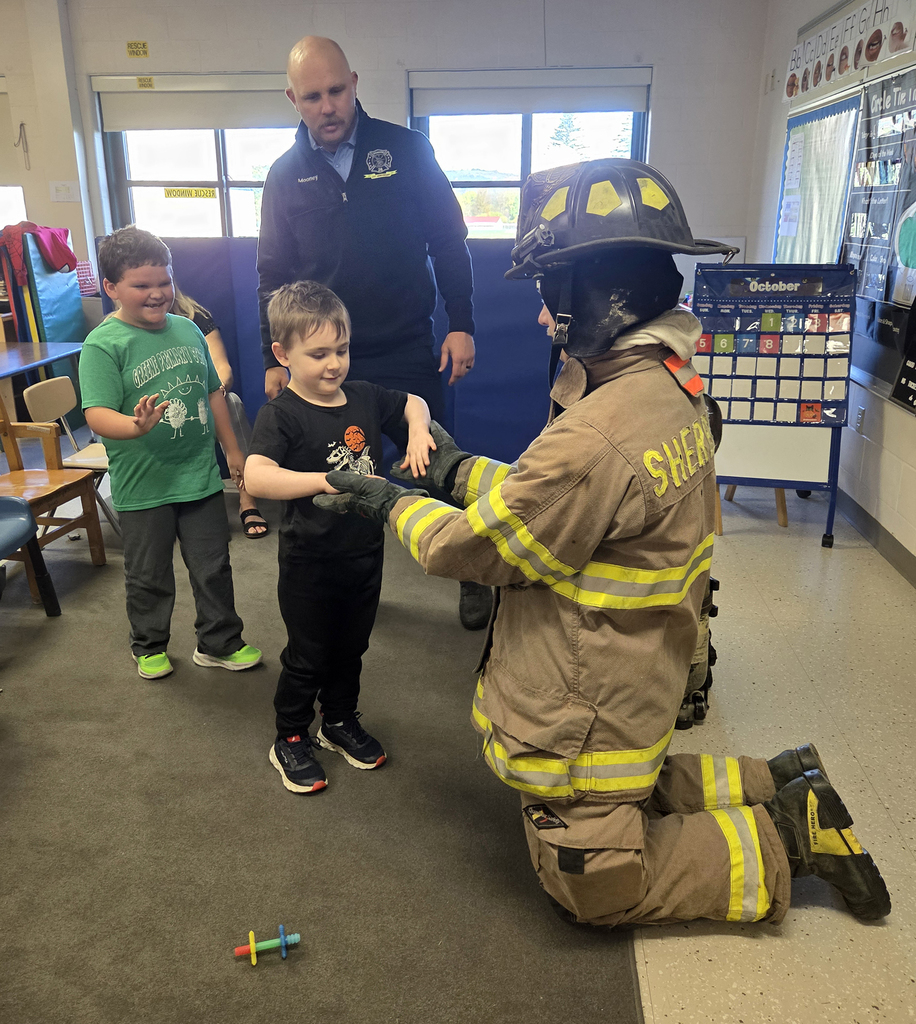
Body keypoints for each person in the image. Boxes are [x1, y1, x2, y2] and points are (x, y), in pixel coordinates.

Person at [313, 159, 891, 926]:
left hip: (589, 698)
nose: (544, 317)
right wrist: (456, 469)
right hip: (634, 674)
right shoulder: (667, 386)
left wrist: (392, 501)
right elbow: (555, 502)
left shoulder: (598, 432)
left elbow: (480, 548)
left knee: (590, 883)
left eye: (552, 292)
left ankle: (789, 831)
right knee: (630, 786)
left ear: (602, 291)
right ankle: (779, 777)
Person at [256, 34, 492, 631]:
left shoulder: (407, 149)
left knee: (435, 461)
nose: (328, 106)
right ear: (293, 98)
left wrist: (460, 322)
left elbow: (447, 240)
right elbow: (272, 276)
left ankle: (472, 572)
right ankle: (355, 580)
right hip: (324, 358)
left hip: (406, 342)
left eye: (337, 90)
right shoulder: (284, 175)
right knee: (344, 476)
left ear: (355, 83)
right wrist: (275, 356)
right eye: (313, 96)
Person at [244, 281, 434, 794]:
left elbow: (414, 401)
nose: (334, 364)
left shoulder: (367, 397)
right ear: (283, 354)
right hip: (311, 561)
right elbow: (257, 476)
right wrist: (327, 481)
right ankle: (289, 737)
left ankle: (339, 720)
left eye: (342, 350)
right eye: (319, 354)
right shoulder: (281, 413)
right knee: (308, 655)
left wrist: (417, 430)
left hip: (364, 555)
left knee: (352, 648)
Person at [79, 226, 262, 681]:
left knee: (213, 565)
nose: (157, 293)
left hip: (197, 474)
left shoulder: (187, 329)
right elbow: (96, 414)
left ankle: (219, 642)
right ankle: (149, 645)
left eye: (164, 281)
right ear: (112, 288)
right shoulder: (104, 345)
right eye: (142, 285)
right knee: (148, 573)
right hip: (144, 483)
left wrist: (233, 451)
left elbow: (213, 393)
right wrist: (133, 425)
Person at [171, 286, 268, 538]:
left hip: (203, 400)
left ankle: (248, 499)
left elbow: (222, 368)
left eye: (162, 282)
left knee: (232, 403)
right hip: (162, 408)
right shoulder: (123, 329)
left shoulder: (195, 317)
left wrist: (217, 391)